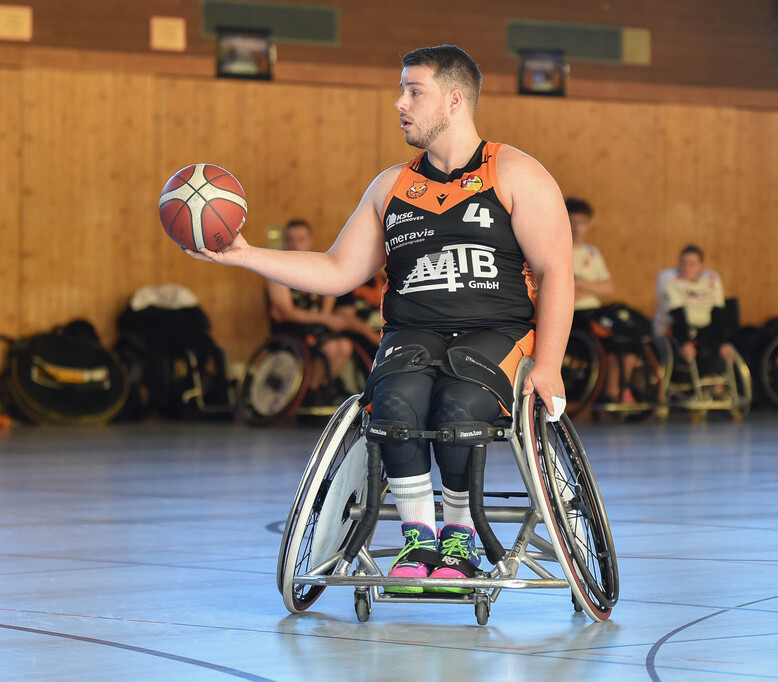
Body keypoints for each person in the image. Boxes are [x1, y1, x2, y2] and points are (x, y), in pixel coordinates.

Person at [185, 45, 573, 592]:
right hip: (412, 332)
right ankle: (419, 537)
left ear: (455, 99)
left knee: (459, 406)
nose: (400, 103)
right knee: (392, 405)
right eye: (402, 90)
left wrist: (550, 364)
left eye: (414, 91)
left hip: (498, 333)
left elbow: (557, 271)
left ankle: (457, 538)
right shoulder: (390, 186)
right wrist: (245, 255)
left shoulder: (514, 173)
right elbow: (338, 269)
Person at [567, 197, 642, 404]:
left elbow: (608, 288)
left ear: (589, 225)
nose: (576, 227)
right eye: (572, 221)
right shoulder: (556, 247)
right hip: (572, 313)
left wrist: (579, 282)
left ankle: (622, 388)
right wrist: (589, 287)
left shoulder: (593, 253)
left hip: (594, 311)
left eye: (581, 222)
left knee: (626, 334)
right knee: (609, 338)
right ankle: (611, 389)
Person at [267, 219, 354, 395]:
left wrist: (326, 315)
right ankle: (310, 391)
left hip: (314, 324)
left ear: (310, 240)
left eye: (301, 239)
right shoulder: (275, 270)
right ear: (285, 242)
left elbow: (332, 287)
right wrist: (325, 319)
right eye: (291, 239)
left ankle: (320, 387)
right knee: (329, 348)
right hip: (290, 328)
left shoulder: (316, 264)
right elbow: (287, 312)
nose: (295, 244)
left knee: (345, 346)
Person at [655, 244, 736, 373]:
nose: (686, 267)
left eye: (692, 264)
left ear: (701, 265)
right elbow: (678, 315)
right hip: (674, 329)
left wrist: (724, 342)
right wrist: (684, 342)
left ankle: (714, 383)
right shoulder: (668, 278)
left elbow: (717, 313)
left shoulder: (711, 279)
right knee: (690, 348)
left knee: (716, 346)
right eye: (683, 262)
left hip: (703, 330)